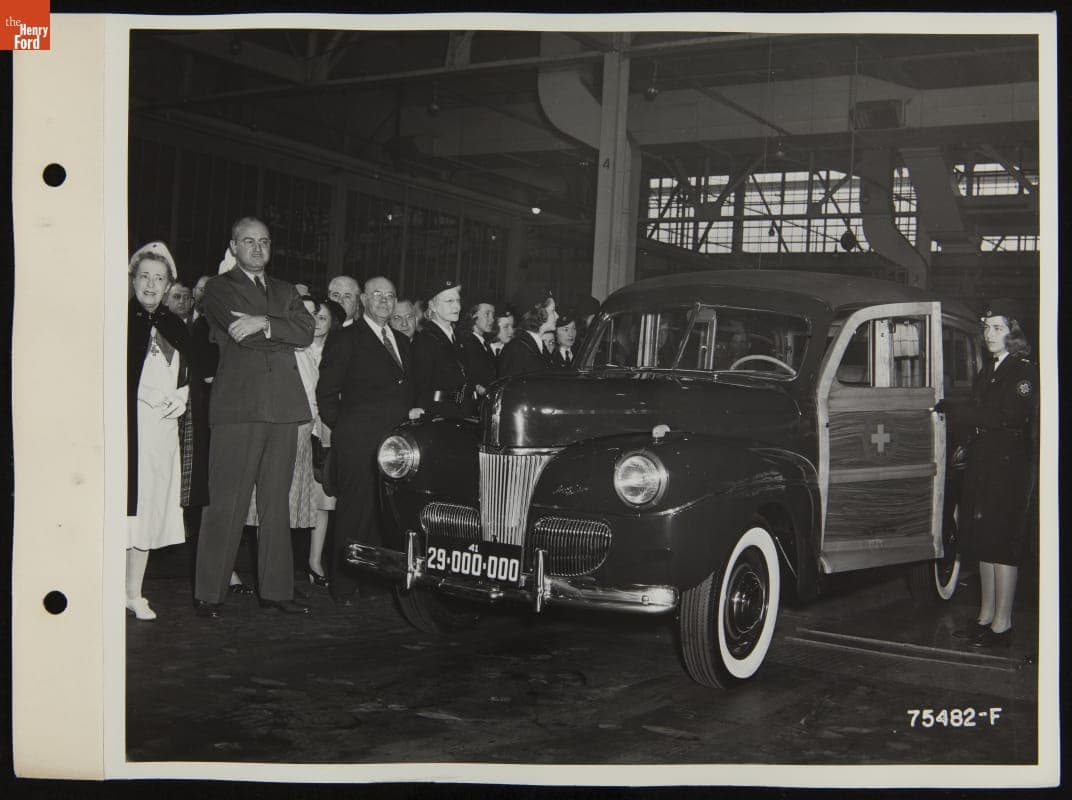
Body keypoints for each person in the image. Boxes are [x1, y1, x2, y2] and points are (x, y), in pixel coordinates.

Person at [193, 216, 315, 618]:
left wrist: (264, 322)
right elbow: (239, 332)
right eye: (248, 242)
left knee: (275, 503)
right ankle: (209, 594)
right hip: (239, 408)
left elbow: (305, 331)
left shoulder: (284, 290)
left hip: (283, 408)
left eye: (264, 241)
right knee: (226, 503)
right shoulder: (217, 287)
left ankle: (276, 591)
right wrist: (279, 330)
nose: (258, 249)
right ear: (233, 247)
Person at [938, 299, 1038, 649]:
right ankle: (985, 618)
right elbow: (981, 413)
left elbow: (1007, 417)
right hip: (985, 465)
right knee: (981, 542)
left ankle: (1003, 625)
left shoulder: (1024, 371)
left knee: (1001, 546)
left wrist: (959, 410)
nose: (989, 334)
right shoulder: (989, 371)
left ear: (1013, 333)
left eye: (997, 328)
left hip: (1008, 469)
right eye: (986, 327)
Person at [316, 276, 416, 606]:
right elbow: (326, 393)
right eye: (377, 295)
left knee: (380, 514)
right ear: (363, 301)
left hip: (393, 447)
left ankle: (371, 582)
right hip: (358, 443)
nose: (385, 301)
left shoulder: (401, 341)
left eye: (390, 295)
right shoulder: (347, 339)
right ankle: (342, 585)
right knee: (353, 514)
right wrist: (346, 430)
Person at [126, 241, 190, 620]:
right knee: (126, 506)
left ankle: (134, 591)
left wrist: (183, 396)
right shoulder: (119, 320)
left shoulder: (174, 325)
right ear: (133, 280)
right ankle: (111, 586)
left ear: (168, 286)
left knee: (150, 507)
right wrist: (143, 393)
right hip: (131, 429)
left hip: (163, 430)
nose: (151, 284)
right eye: (145, 276)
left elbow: (187, 371)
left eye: (159, 278)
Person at [306, 298, 346, 586]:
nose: (317, 321)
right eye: (313, 316)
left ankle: (314, 561)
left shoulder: (337, 352)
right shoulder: (296, 348)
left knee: (322, 498)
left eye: (323, 317)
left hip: (326, 430)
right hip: (298, 425)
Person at [413, 279, 470, 418]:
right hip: (439, 415)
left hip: (461, 411)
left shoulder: (457, 337)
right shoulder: (426, 340)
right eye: (450, 301)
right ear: (432, 306)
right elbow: (421, 386)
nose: (457, 307)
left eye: (458, 301)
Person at [498, 286, 557, 379]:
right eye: (553, 310)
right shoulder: (517, 349)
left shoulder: (538, 345)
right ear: (539, 313)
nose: (557, 316)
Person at [458, 299, 498, 400]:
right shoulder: (466, 342)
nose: (492, 319)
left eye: (493, 315)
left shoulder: (483, 342)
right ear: (473, 315)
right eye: (487, 314)